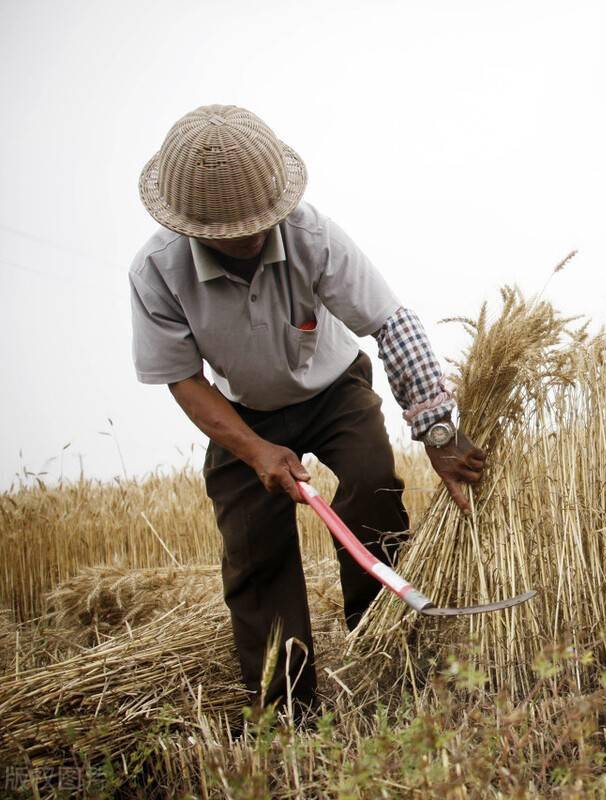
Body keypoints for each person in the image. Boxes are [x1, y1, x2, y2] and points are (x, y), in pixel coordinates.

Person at [128, 104, 486, 717]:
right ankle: (291, 713)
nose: (250, 236)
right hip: (242, 415)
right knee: (253, 550)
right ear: (193, 226)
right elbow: (183, 379)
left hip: (334, 390)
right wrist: (256, 451)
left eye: (259, 223)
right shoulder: (157, 271)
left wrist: (438, 431)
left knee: (372, 484)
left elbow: (390, 322)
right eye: (231, 230)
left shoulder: (312, 234)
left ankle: (384, 653)